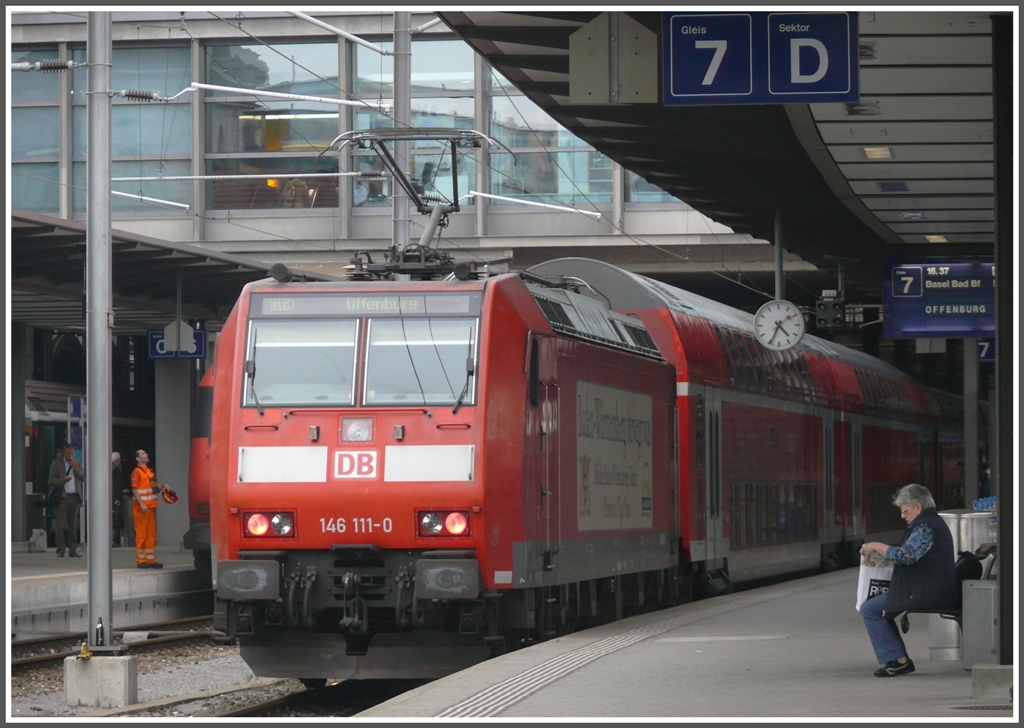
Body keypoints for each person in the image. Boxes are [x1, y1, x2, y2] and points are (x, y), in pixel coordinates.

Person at [859, 483, 958, 677]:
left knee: (870, 609)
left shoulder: (926, 527)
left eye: (905, 511)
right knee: (878, 607)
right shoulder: (932, 522)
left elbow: (906, 556)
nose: (902, 516)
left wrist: (876, 546)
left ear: (918, 507)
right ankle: (897, 658)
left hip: (927, 591)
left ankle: (899, 661)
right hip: (931, 587)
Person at [47, 443, 85, 558]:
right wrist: (62, 480)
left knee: (72, 525)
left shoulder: (77, 463)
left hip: (74, 496)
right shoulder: (57, 463)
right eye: (68, 453)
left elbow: (82, 477)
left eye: (72, 453)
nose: (70, 455)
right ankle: (61, 550)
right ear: (64, 453)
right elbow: (51, 480)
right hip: (62, 497)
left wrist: (75, 467)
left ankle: (73, 550)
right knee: (60, 525)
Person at [131, 449, 163, 569]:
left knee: (151, 535)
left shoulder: (149, 471)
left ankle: (150, 560)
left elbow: (154, 487)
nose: (146, 454)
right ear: (138, 458)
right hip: (142, 508)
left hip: (150, 507)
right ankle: (141, 560)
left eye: (146, 453)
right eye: (143, 454)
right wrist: (142, 504)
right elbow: (134, 489)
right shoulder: (137, 472)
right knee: (141, 535)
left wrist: (164, 488)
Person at [111, 452, 125, 547]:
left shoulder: (109, 468)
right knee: (117, 519)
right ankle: (115, 540)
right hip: (115, 499)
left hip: (111, 498)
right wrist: (117, 498)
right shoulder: (115, 469)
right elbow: (116, 484)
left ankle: (114, 540)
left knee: (114, 518)